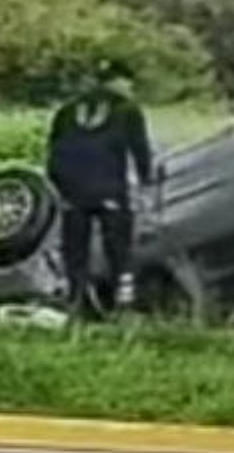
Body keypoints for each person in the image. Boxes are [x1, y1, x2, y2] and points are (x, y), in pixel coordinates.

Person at [45, 59, 153, 321]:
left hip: (72, 190)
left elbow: (52, 151)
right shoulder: (127, 109)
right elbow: (140, 152)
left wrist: (61, 187)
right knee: (119, 250)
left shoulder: (67, 110)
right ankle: (123, 306)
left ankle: (76, 303)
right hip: (109, 189)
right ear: (120, 81)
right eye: (130, 83)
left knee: (75, 252)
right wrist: (146, 185)